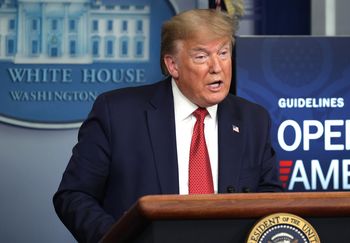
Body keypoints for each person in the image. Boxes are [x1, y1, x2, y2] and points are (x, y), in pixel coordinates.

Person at [53, 8, 282, 243]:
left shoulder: (252, 119)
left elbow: (271, 199)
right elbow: (74, 195)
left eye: (223, 53)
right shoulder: (118, 113)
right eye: (201, 57)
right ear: (173, 65)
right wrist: (118, 239)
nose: (217, 67)